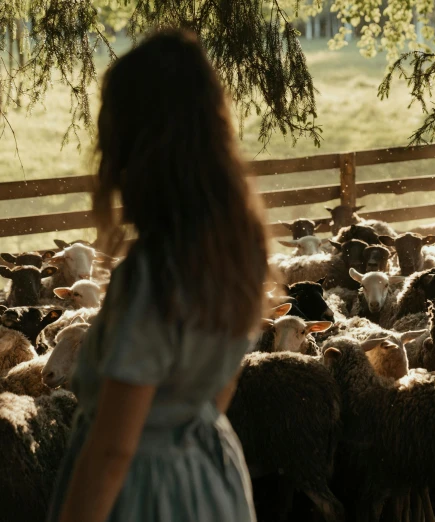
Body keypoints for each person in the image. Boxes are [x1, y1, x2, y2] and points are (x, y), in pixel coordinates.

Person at [47, 29, 268, 522]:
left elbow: (112, 452)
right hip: (212, 479)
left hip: (142, 494)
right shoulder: (239, 252)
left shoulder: (152, 277)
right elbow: (217, 391)